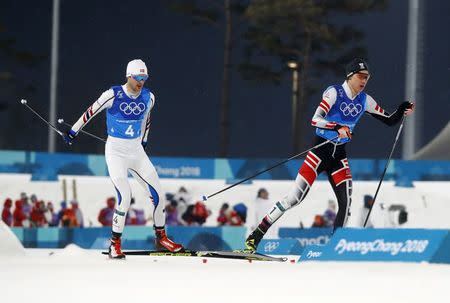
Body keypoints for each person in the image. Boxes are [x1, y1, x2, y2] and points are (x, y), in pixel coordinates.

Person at [245, 58, 415, 252]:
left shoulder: (365, 100)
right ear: (350, 76)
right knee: (294, 198)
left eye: (367, 78)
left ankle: (334, 246)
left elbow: (389, 120)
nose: (364, 81)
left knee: (346, 201)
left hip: (338, 157)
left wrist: (403, 108)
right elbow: (315, 119)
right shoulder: (334, 92)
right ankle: (256, 235)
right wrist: (337, 127)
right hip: (319, 152)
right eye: (360, 77)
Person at [63, 59, 183, 258]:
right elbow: (90, 112)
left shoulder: (149, 97)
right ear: (129, 76)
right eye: (137, 78)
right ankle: (114, 244)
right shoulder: (112, 95)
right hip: (116, 152)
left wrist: (144, 140)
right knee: (125, 197)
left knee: (159, 196)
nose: (141, 82)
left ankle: (161, 238)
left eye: (144, 78)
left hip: (136, 151)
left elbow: (147, 119)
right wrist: (73, 132)